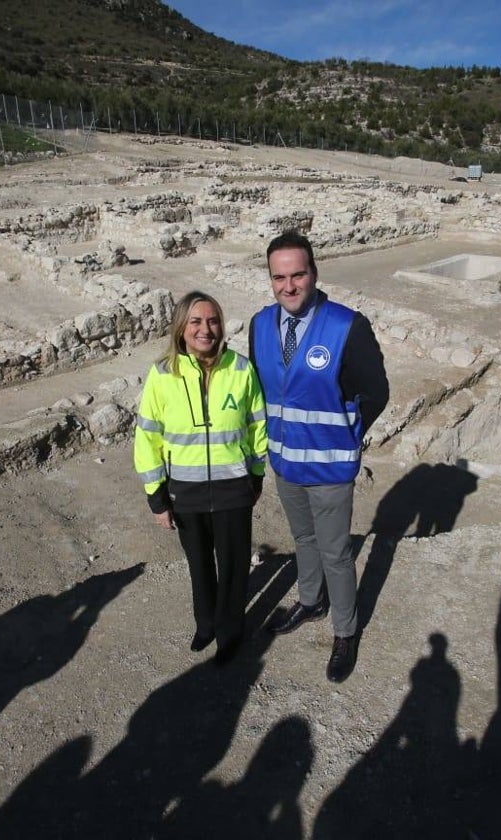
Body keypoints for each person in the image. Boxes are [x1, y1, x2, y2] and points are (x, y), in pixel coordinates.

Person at [249, 230, 389, 683]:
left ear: (314, 273)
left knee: (335, 552)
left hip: (329, 466)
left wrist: (349, 435)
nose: (289, 286)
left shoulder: (347, 326)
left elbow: (377, 392)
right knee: (303, 540)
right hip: (285, 462)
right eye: (279, 277)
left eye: (298, 275)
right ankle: (311, 602)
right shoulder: (259, 325)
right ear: (270, 279)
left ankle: (346, 631)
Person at [134, 291, 268, 664]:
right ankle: (205, 624)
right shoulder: (162, 375)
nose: (205, 329)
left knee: (234, 564)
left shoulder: (240, 369)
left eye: (212, 321)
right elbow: (148, 437)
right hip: (185, 491)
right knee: (199, 564)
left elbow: (258, 425)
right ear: (181, 328)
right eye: (195, 322)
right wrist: (156, 497)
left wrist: (256, 476)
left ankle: (229, 633)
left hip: (232, 488)